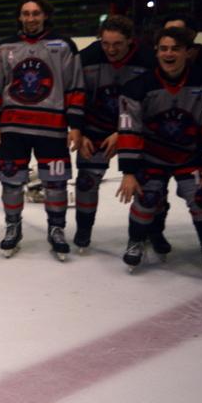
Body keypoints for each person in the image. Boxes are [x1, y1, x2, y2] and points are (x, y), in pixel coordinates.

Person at [116, 27, 202, 283]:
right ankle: (136, 240)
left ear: (188, 52)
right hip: (151, 156)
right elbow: (129, 128)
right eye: (163, 49)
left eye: (175, 49)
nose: (169, 54)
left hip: (191, 156)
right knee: (147, 197)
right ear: (156, 52)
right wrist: (129, 172)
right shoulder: (137, 87)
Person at [0, 0, 83, 260]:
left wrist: (75, 124)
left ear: (45, 15)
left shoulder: (63, 46)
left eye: (35, 13)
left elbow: (74, 87)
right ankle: (13, 227)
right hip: (12, 127)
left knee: (56, 182)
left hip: (52, 127)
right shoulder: (4, 48)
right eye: (26, 13)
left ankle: (56, 229)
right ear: (19, 16)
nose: (30, 18)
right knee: (11, 182)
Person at [74, 15, 156, 252]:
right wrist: (80, 131)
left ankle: (149, 232)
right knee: (87, 182)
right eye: (105, 43)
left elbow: (155, 105)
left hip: (138, 131)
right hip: (95, 130)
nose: (110, 49)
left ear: (131, 40)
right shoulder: (86, 58)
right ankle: (83, 229)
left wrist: (124, 132)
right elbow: (75, 96)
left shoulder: (149, 60)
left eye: (117, 44)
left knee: (148, 185)